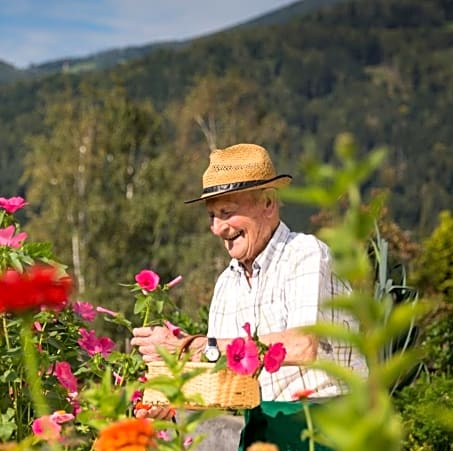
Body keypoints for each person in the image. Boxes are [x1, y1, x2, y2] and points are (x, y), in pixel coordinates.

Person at [131, 142, 367, 402]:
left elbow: (302, 345)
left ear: (267, 203)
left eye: (227, 213)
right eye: (212, 216)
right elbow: (218, 375)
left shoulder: (304, 254)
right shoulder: (227, 283)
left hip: (325, 416)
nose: (217, 228)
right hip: (258, 423)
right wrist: (167, 400)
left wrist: (195, 347)